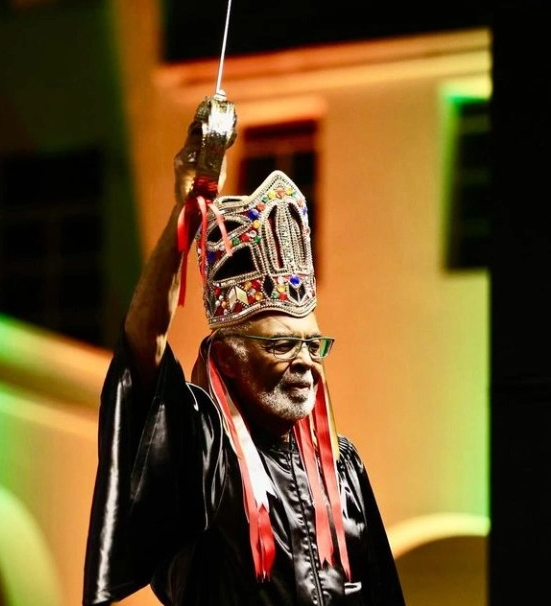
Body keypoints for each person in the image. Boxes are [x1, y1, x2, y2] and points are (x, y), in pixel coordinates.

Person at [82, 93, 406, 606]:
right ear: (229, 357)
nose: (305, 361)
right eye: (282, 343)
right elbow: (144, 343)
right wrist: (185, 214)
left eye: (312, 344)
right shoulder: (204, 450)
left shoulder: (343, 466)